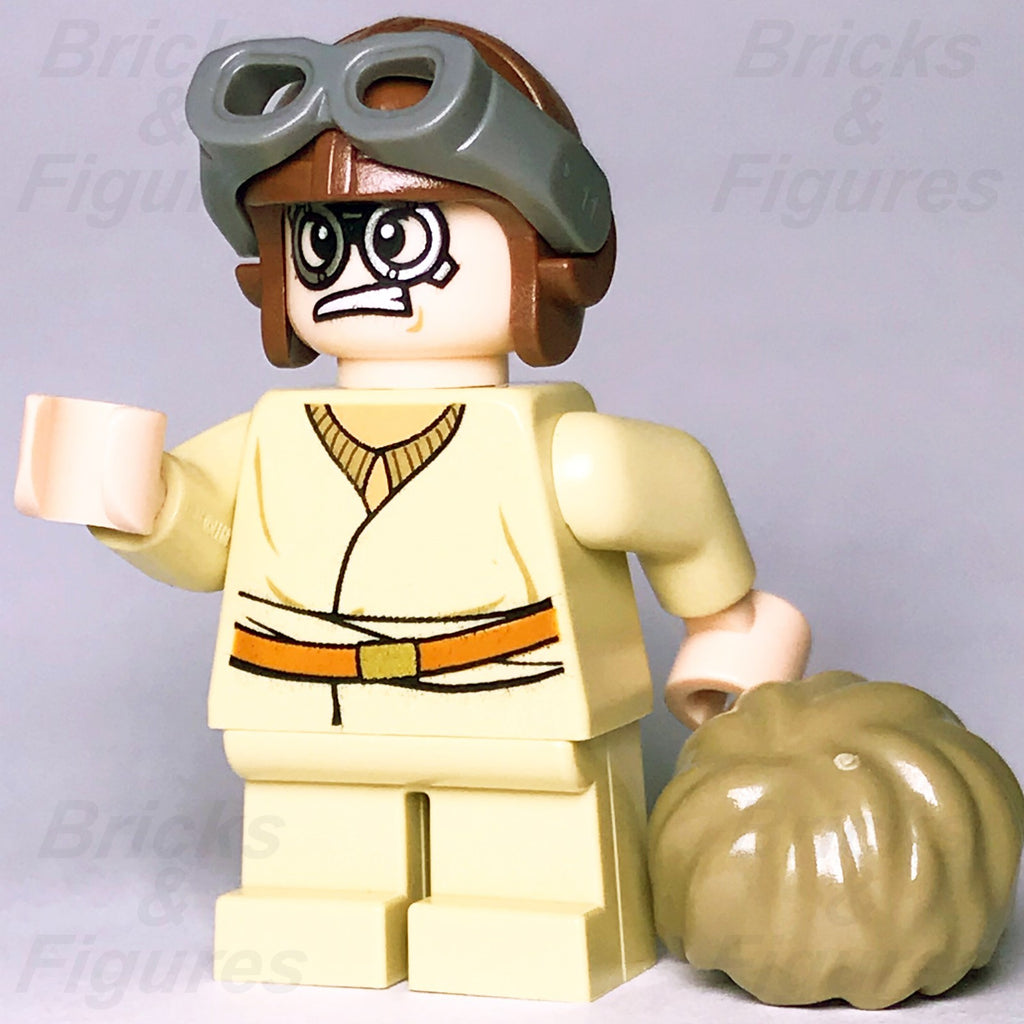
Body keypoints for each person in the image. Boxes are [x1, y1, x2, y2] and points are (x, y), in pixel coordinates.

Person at [15, 17, 809, 1000]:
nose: (357, 272)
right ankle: (322, 914)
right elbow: (209, 533)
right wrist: (142, 500)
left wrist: (730, 629)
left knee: (519, 856)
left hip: (506, 698)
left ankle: (523, 924)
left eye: (399, 235)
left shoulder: (559, 447)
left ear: (541, 254)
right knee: (319, 853)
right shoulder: (270, 438)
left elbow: (675, 494)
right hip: (302, 708)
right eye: (318, 241)